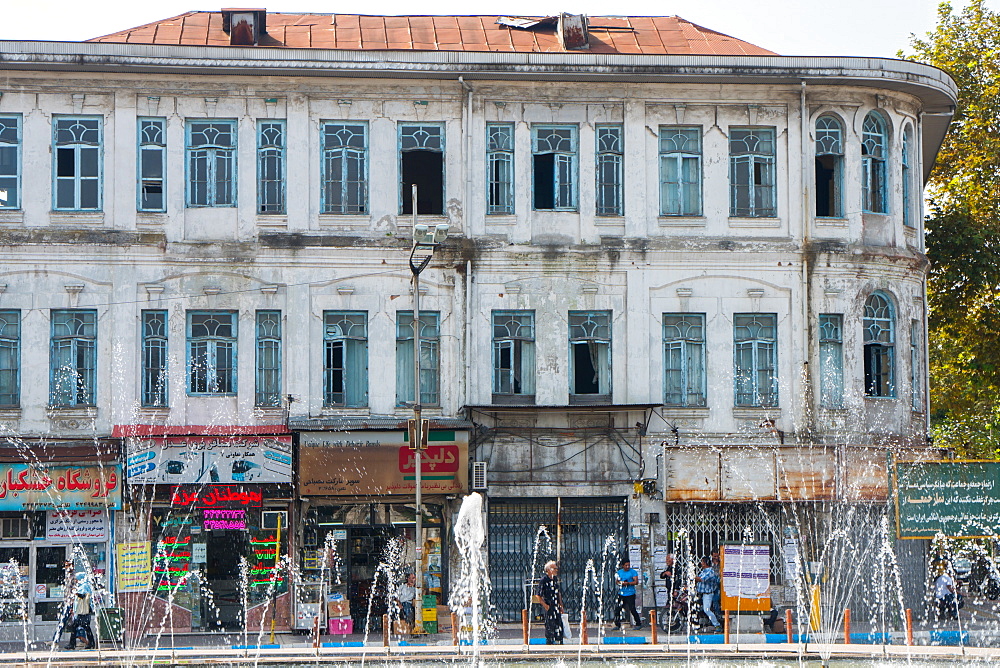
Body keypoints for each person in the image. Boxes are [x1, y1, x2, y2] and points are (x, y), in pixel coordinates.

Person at [66, 573, 95, 650]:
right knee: (86, 628)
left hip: (83, 612)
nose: (76, 580)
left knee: (75, 627)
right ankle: (91, 643)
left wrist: (75, 593)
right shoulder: (83, 586)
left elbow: (83, 596)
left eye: (77, 578)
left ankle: (72, 644)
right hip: (82, 611)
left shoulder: (85, 586)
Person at [538, 560, 564, 644]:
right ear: (549, 569)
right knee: (549, 625)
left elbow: (558, 592)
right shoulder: (543, 580)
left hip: (556, 605)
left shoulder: (555, 579)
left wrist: (561, 605)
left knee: (559, 623)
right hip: (548, 605)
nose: (556, 570)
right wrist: (545, 605)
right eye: (555, 568)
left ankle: (559, 640)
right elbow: (538, 595)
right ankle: (549, 641)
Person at [614, 558, 643, 630]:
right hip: (622, 593)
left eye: (628, 565)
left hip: (630, 593)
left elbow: (636, 582)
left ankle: (638, 623)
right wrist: (621, 583)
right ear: (623, 566)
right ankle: (617, 624)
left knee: (632, 609)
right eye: (626, 565)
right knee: (618, 609)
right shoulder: (619, 572)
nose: (627, 567)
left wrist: (628, 583)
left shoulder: (633, 572)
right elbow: (617, 581)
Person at [695, 556, 720, 632]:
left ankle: (717, 625)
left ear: (705, 563)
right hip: (701, 594)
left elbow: (702, 579)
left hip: (708, 594)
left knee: (707, 610)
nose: (701, 563)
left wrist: (692, 577)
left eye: (702, 562)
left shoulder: (710, 572)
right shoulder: (704, 571)